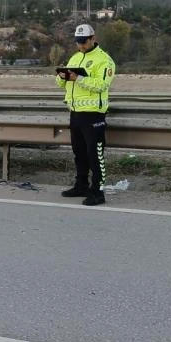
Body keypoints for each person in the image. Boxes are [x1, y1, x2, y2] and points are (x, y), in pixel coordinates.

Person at [56, 24, 116, 206]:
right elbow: (62, 85)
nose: (80, 45)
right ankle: (81, 185)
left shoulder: (104, 60)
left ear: (92, 38)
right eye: (78, 42)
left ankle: (98, 191)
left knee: (95, 154)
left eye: (83, 42)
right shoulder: (75, 57)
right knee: (79, 152)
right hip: (75, 113)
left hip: (93, 115)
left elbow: (101, 85)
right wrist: (61, 76)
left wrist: (78, 78)